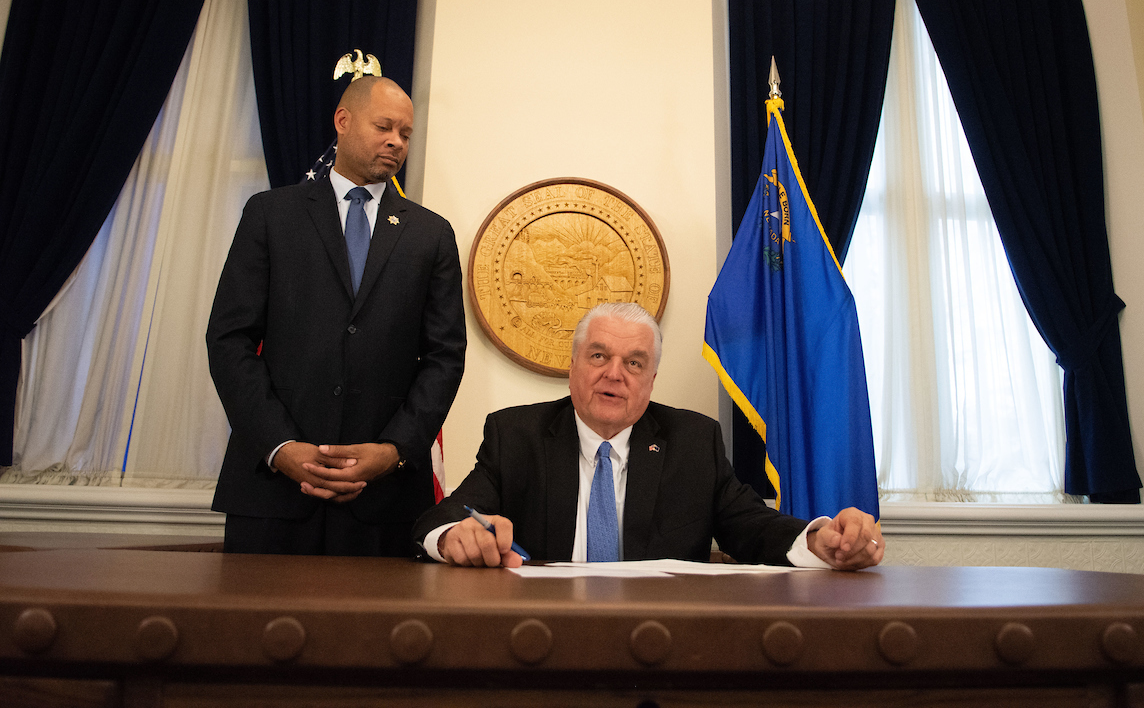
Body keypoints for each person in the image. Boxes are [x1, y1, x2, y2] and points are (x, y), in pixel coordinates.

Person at [413, 302, 883, 569]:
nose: (614, 375)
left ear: (651, 380)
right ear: (573, 367)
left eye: (634, 363)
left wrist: (819, 537)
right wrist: (457, 533)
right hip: (544, 632)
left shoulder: (694, 441)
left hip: (661, 641)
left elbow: (752, 528)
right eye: (598, 357)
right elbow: (448, 513)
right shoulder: (516, 434)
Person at [207, 75, 466, 556]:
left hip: (384, 502)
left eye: (406, 134)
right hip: (271, 493)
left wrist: (392, 452)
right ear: (343, 122)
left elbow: (445, 358)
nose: (396, 141)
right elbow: (230, 340)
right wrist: (280, 447)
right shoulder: (270, 215)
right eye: (384, 126)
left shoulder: (430, 235)